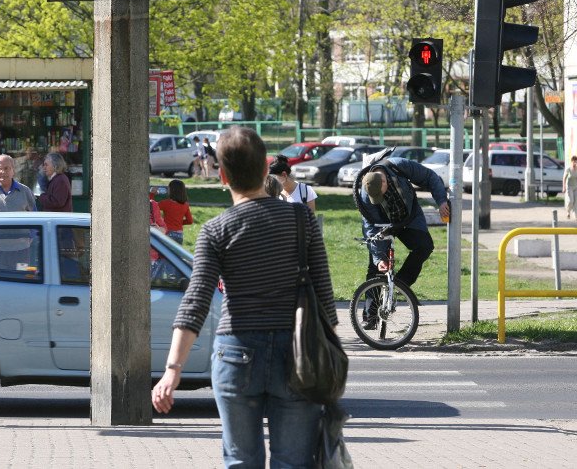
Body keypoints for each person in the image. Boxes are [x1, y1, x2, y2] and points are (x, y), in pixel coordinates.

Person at [151, 126, 336, 467]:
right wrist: (328, 361)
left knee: (240, 460)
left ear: (222, 176)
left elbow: (196, 301)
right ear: (267, 171)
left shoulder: (216, 230)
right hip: (295, 355)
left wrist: (172, 370)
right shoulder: (302, 220)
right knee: (294, 462)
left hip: (236, 353)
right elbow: (324, 296)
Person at [356, 156, 449, 290]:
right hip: (383, 224)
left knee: (424, 246)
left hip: (409, 217)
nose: (378, 198)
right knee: (378, 265)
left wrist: (441, 201)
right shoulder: (367, 192)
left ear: (384, 181)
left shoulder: (399, 166)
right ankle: (372, 303)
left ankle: (400, 286)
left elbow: (430, 177)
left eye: (379, 195)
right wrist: (379, 258)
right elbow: (370, 225)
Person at [158, 179, 193, 244]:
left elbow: (151, 206)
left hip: (168, 233)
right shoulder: (185, 205)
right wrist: (178, 222)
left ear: (172, 190)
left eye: (168, 188)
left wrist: (152, 194)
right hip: (179, 235)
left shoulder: (165, 203)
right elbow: (190, 221)